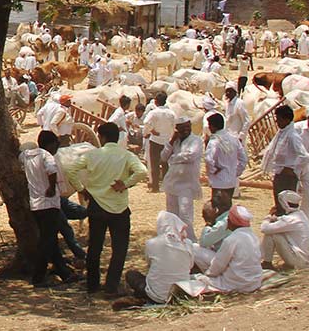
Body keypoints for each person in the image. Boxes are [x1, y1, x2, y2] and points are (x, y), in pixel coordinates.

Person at [65, 121, 147, 297]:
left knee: (95, 246)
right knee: (119, 248)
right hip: (118, 206)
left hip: (97, 204)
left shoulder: (93, 155)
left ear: (101, 137)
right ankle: (112, 285)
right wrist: (125, 184)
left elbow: (70, 169)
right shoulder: (126, 155)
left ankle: (92, 284)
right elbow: (142, 171)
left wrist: (81, 188)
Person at [22, 130, 76, 287]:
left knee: (50, 240)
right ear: (50, 144)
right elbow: (52, 170)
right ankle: (39, 277)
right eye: (56, 145)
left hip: (36, 204)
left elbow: (19, 155)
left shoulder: (27, 156)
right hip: (49, 203)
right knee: (47, 242)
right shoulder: (47, 156)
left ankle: (63, 272)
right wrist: (51, 187)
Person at [123, 211, 194, 305]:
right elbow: (190, 265)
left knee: (131, 274)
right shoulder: (188, 244)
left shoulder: (152, 243)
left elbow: (149, 264)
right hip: (181, 295)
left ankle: (139, 297)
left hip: (156, 297)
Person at [192, 205, 263, 293]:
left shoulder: (232, 239)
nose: (227, 221)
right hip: (254, 283)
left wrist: (208, 275)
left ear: (233, 221)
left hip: (235, 284)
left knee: (197, 278)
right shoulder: (253, 236)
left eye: (228, 219)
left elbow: (219, 265)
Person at [260, 104, 309, 214]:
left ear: (286, 120)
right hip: (279, 174)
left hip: (287, 177)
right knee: (279, 204)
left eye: (279, 120)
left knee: (287, 206)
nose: (277, 123)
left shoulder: (292, 136)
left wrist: (292, 169)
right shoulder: (281, 133)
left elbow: (304, 156)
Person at [161, 114, 202, 240]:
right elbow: (163, 157)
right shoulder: (174, 141)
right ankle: (174, 240)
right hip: (172, 183)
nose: (186, 130)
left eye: (187, 127)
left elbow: (190, 155)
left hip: (187, 185)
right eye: (182, 128)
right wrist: (172, 140)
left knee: (185, 215)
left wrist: (173, 158)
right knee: (172, 215)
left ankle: (190, 241)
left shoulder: (196, 140)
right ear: (176, 129)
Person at [260, 190, 309, 270]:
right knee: (275, 231)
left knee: (272, 234)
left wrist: (267, 217)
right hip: (305, 259)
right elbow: (282, 221)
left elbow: (264, 228)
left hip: (300, 262)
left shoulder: (290, 220)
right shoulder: (300, 215)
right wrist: (274, 218)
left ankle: (267, 263)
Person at [205, 113, 248, 204]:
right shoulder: (233, 139)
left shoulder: (214, 141)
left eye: (209, 126)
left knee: (217, 207)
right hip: (231, 181)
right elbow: (243, 159)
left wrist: (212, 170)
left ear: (213, 126)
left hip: (218, 181)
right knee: (227, 206)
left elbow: (208, 159)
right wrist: (236, 172)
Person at [143, 93, 176, 193]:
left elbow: (146, 122)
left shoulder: (154, 112)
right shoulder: (171, 113)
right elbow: (175, 126)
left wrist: (151, 130)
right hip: (167, 141)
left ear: (156, 101)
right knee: (166, 164)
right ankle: (166, 187)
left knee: (154, 165)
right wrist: (169, 134)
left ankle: (155, 187)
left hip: (155, 140)